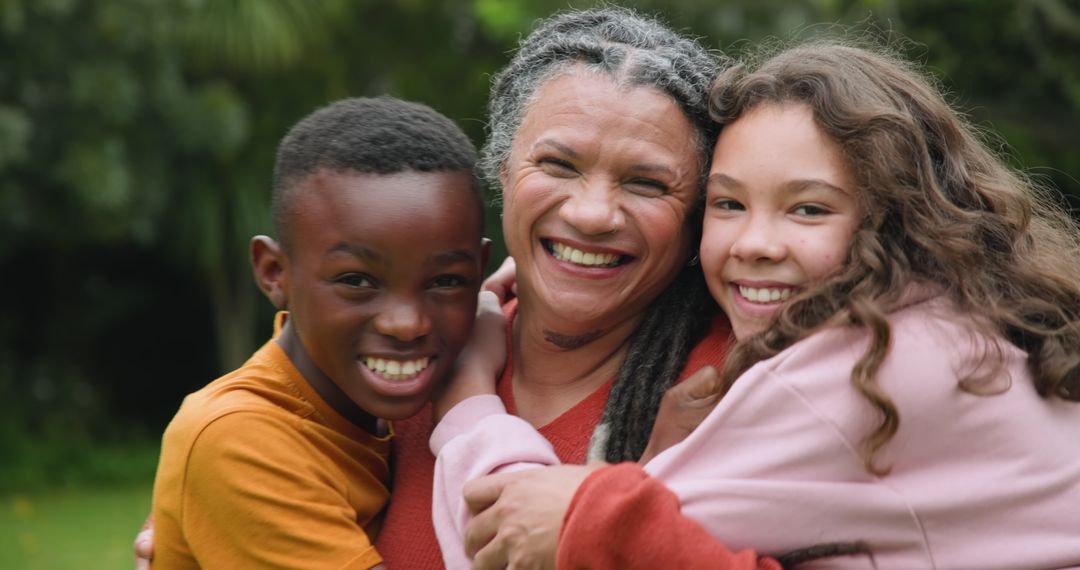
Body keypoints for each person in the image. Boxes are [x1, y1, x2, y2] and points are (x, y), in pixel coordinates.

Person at [136, 7, 757, 569]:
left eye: (647, 183)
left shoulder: (735, 392)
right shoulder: (403, 366)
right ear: (503, 170)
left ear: (696, 213)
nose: (593, 213)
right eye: (559, 164)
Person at [432, 40, 1080, 569]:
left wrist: (465, 394)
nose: (758, 244)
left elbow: (523, 538)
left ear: (899, 216)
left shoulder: (863, 367)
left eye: (809, 208)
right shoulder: (964, 321)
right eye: (729, 204)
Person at [148, 96, 492, 569]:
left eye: (445, 281)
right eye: (356, 281)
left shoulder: (392, 409)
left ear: (481, 272)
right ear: (274, 273)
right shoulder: (237, 438)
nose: (406, 323)